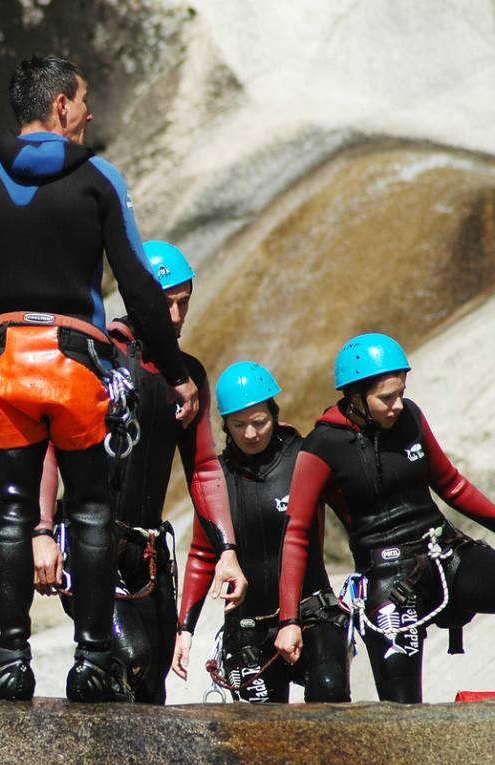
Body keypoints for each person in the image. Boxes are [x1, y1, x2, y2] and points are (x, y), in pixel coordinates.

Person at [0, 55, 243, 702]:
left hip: (3, 360)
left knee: (13, 513)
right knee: (93, 509)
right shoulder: (98, 177)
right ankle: (93, 658)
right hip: (76, 362)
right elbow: (136, 280)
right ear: (59, 108)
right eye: (83, 101)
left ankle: (11, 657)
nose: (89, 112)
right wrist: (178, 375)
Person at [36, 240, 243, 704]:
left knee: (151, 686)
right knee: (130, 655)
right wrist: (42, 531)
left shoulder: (188, 376)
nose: (174, 316)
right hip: (90, 539)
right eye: (163, 302)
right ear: (134, 298)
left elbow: (205, 467)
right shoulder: (96, 355)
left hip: (148, 548)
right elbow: (47, 447)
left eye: (183, 301)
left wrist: (226, 549)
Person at [275, 333, 495, 703]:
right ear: (355, 397)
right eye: (385, 398)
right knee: (402, 709)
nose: (397, 405)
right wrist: (288, 621)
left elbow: (452, 485)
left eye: (401, 393)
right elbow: (296, 534)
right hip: (387, 579)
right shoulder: (321, 446)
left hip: (444, 554)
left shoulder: (411, 417)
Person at [173, 361, 350, 703]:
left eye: (259, 422)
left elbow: (353, 514)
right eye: (239, 425)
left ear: (275, 413)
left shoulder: (304, 458)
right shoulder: (216, 479)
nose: (251, 434)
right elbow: (200, 553)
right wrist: (184, 630)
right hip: (248, 626)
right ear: (224, 424)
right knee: (260, 733)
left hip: (312, 612)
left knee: (329, 689)